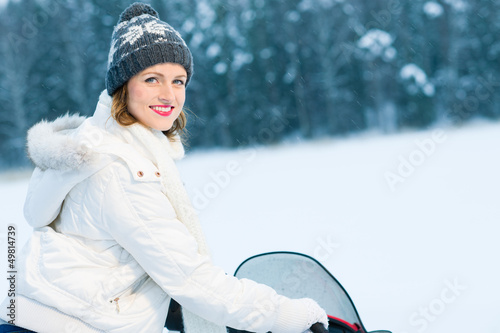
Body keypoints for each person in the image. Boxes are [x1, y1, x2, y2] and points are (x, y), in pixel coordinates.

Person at [0, 3, 328, 333]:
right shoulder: (122, 170)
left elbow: (109, 252)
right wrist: (286, 315)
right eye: (152, 79)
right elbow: (190, 278)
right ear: (123, 85)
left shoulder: (99, 144)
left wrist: (162, 301)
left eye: (179, 81)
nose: (169, 94)